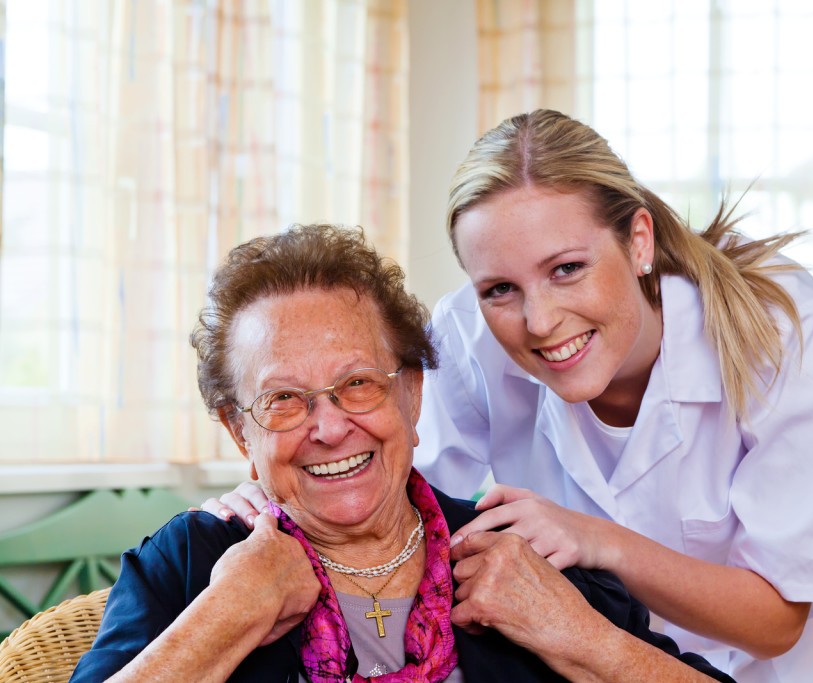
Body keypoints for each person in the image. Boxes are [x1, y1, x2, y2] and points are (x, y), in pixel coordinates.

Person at [207, 110, 813, 682]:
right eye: (499, 289)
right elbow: (393, 499)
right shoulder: (466, 338)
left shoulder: (784, 332)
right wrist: (269, 503)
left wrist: (593, 539)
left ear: (638, 239)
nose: (538, 321)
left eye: (567, 269)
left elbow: (776, 619)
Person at [72, 224, 732, 682]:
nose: (328, 427)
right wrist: (225, 616)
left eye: (357, 383)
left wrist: (578, 635)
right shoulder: (192, 566)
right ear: (241, 432)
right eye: (284, 399)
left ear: (412, 394)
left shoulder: (515, 553)